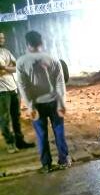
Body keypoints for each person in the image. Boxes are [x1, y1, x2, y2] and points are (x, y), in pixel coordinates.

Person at [16, 31, 70, 173]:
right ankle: (64, 160)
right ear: (41, 43)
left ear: (27, 44)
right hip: (54, 102)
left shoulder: (21, 62)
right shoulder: (52, 59)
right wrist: (62, 103)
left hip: (36, 104)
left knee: (41, 135)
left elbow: (23, 86)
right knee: (59, 131)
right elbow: (60, 83)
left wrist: (29, 106)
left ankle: (46, 164)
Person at [0, 32, 34, 153]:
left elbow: (17, 66)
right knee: (4, 118)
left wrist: (6, 68)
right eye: (0, 38)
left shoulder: (6, 52)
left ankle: (20, 142)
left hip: (13, 88)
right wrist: (8, 68)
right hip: (2, 92)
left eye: (3, 37)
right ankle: (10, 143)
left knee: (16, 117)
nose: (2, 39)